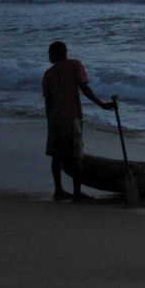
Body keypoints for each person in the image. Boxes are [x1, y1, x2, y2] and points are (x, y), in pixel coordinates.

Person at [43, 41, 115, 201]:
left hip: (55, 119)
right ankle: (77, 192)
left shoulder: (48, 74)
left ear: (57, 54)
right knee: (76, 156)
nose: (48, 56)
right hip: (71, 116)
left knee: (57, 156)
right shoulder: (75, 65)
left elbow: (48, 101)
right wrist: (101, 104)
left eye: (50, 53)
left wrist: (49, 121)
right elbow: (84, 88)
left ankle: (59, 190)